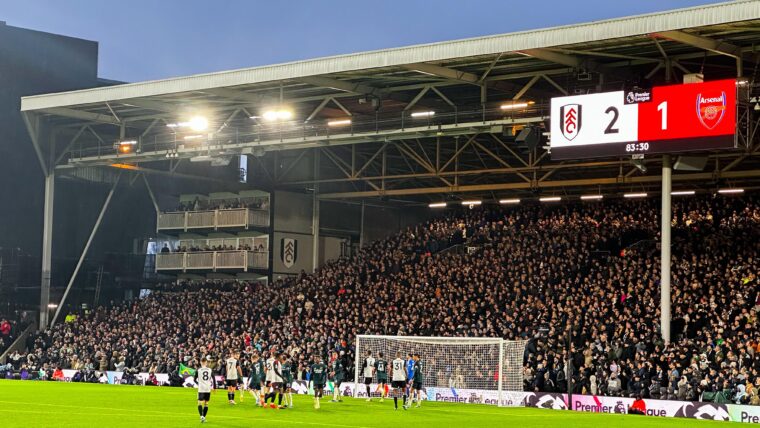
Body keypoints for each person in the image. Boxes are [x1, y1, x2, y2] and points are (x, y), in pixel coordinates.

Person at [196, 358, 213, 424]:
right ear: (206, 362)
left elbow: (194, 379)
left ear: (200, 362)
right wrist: (214, 387)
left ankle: (201, 416)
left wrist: (199, 383)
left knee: (199, 402)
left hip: (201, 388)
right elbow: (213, 379)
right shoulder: (210, 370)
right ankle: (204, 417)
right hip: (208, 388)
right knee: (206, 403)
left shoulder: (199, 370)